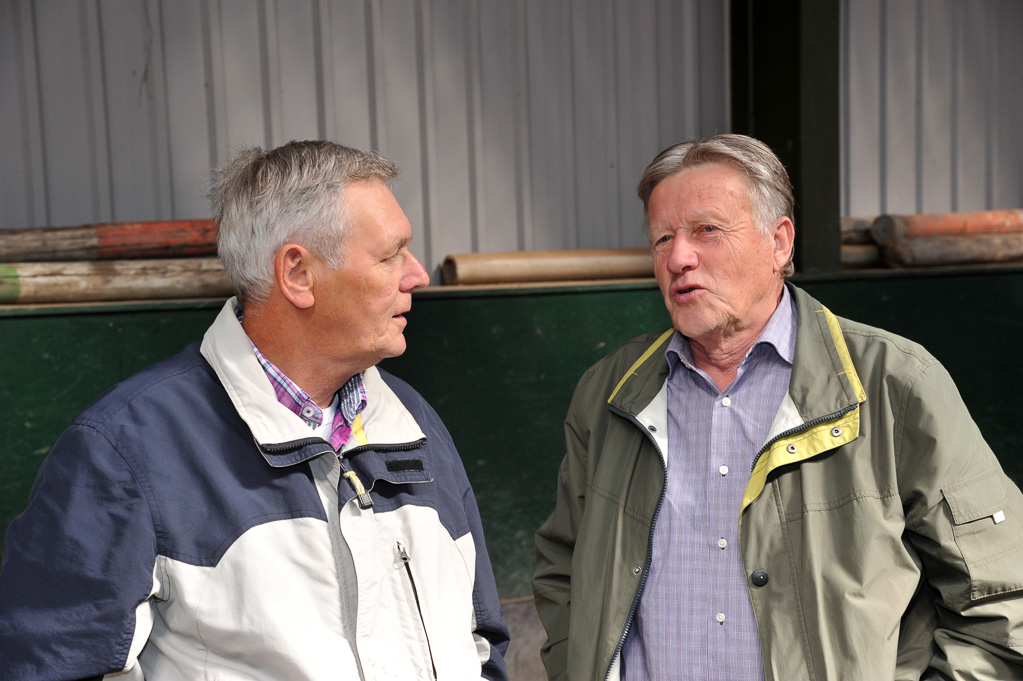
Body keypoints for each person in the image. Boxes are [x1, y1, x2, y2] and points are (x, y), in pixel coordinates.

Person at [0, 140, 509, 680]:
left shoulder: (413, 421)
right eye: (389, 255)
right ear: (298, 274)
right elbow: (50, 666)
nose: (417, 276)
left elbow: (480, 642)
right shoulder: (123, 451)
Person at [533, 133, 1023, 680]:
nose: (678, 257)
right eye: (662, 238)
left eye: (707, 231)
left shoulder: (894, 385)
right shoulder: (609, 394)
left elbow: (1000, 598)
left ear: (780, 242)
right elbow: (562, 570)